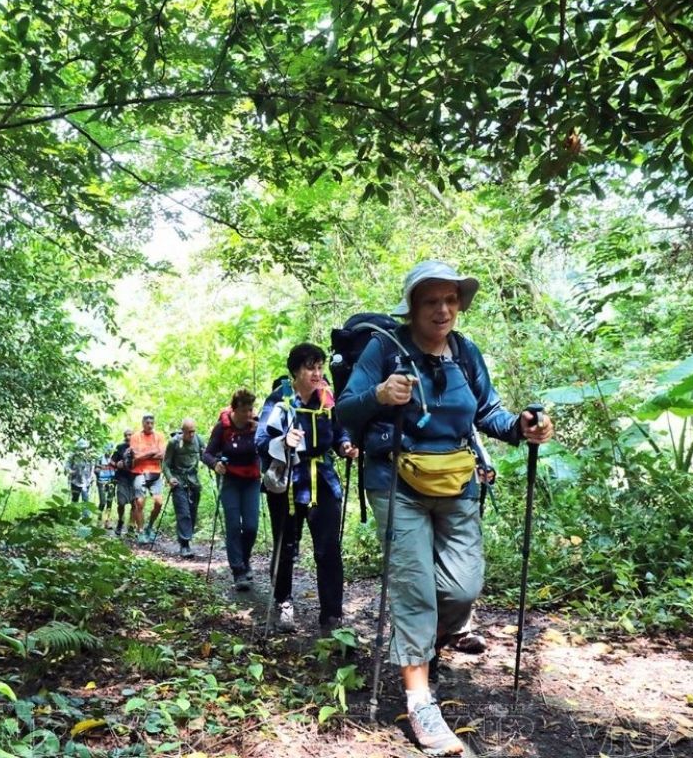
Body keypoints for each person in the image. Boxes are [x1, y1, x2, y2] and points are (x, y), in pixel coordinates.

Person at [335, 259, 554, 755]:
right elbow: (345, 410)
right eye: (431, 301)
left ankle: (424, 647)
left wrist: (522, 427)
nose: (442, 309)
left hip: (457, 480)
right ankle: (419, 700)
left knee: (462, 587)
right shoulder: (383, 350)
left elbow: (487, 412)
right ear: (411, 308)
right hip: (396, 480)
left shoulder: (466, 353)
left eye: (450, 300)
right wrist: (378, 393)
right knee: (414, 589)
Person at [257, 344, 359, 633]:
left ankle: (331, 616)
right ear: (295, 371)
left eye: (319, 367)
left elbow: (341, 430)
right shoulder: (280, 400)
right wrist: (283, 442)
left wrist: (345, 445)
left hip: (322, 481)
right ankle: (283, 603)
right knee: (286, 546)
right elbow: (261, 440)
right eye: (310, 367)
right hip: (288, 481)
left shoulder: (327, 397)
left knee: (328, 548)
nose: (317, 373)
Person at [202, 389, 261, 590]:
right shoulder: (222, 429)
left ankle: (244, 559)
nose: (248, 414)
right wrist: (215, 464)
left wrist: (261, 430)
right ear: (235, 409)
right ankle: (238, 571)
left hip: (252, 480)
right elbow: (207, 454)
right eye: (245, 410)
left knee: (252, 526)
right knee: (234, 526)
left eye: (251, 409)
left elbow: (268, 446)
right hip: (230, 481)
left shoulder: (257, 425)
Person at [163, 418, 206, 558]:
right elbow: (165, 464)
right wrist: (170, 478)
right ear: (183, 432)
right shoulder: (174, 443)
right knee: (183, 512)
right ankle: (185, 544)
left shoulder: (198, 440)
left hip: (194, 481)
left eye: (194, 431)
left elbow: (205, 456)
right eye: (189, 432)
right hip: (179, 481)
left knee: (192, 513)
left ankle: (186, 539)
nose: (192, 434)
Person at [129, 414, 167, 544]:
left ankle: (150, 527)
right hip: (139, 472)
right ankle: (140, 531)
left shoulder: (159, 436)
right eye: (147, 423)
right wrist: (152, 452)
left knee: (159, 502)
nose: (150, 425)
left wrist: (144, 455)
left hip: (155, 473)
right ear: (143, 423)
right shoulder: (135, 437)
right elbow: (136, 457)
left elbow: (162, 455)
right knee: (139, 503)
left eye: (152, 423)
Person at [109, 429, 134, 536]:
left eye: (130, 435)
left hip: (134, 478)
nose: (128, 437)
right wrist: (116, 464)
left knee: (135, 504)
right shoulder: (120, 447)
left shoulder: (138, 446)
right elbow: (111, 460)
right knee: (121, 503)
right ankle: (120, 521)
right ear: (124, 436)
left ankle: (132, 526)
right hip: (122, 478)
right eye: (126, 435)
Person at [64, 439, 94, 505]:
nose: (84, 450)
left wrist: (92, 475)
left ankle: (85, 515)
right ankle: (74, 514)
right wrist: (70, 471)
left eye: (85, 448)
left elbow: (92, 466)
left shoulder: (89, 456)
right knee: (75, 499)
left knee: (86, 500)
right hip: (75, 481)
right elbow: (67, 466)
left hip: (86, 481)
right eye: (82, 448)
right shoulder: (73, 456)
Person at [95, 448, 117, 528]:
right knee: (102, 502)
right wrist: (100, 469)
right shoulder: (100, 458)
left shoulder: (114, 458)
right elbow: (96, 470)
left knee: (109, 502)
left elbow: (117, 468)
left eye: (110, 450)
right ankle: (99, 520)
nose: (109, 452)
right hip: (101, 482)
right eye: (107, 450)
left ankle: (107, 521)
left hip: (111, 483)